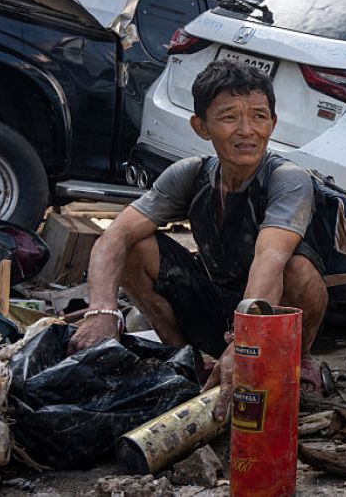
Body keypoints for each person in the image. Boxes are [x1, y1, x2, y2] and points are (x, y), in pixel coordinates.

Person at [68, 59, 329, 419]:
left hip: (269, 313)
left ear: (273, 122)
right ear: (201, 126)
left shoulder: (287, 179)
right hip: (213, 304)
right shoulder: (190, 175)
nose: (246, 130)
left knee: (300, 269)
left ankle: (300, 362)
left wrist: (246, 342)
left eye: (258, 116)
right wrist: (101, 312)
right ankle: (186, 363)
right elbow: (114, 236)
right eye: (228, 118)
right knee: (134, 247)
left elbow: (270, 256)